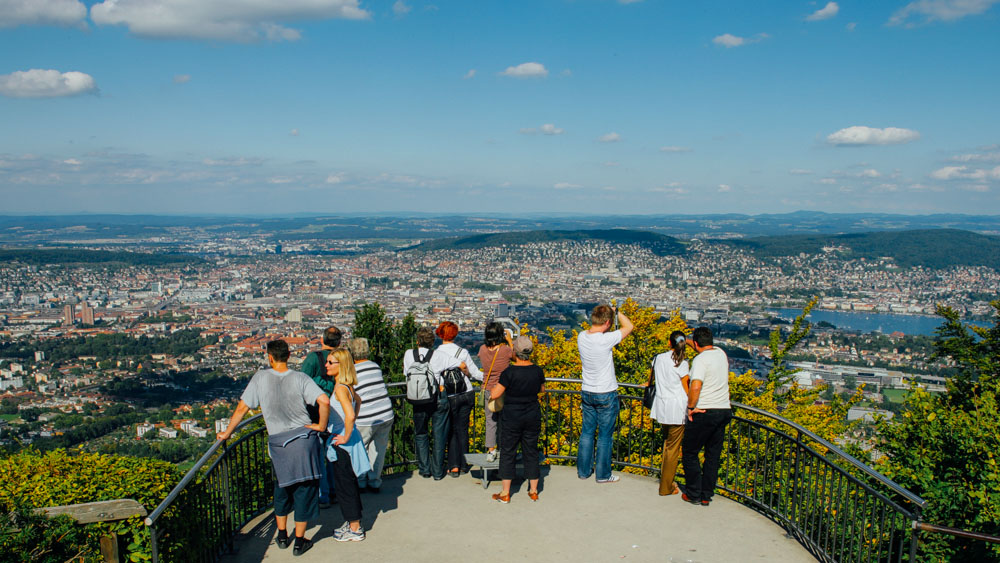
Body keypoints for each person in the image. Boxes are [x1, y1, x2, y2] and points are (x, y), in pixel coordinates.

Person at [217, 339, 329, 556]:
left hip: (278, 445)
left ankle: (281, 534)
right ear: (289, 355)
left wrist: (227, 433)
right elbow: (324, 401)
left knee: (282, 488)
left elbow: (242, 407)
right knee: (305, 490)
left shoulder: (260, 378)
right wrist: (321, 425)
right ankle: (299, 541)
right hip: (304, 441)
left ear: (270, 357)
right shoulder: (300, 378)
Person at [576, 304, 633, 483]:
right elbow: (629, 327)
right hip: (606, 392)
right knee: (605, 436)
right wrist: (618, 312)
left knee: (587, 433)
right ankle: (603, 475)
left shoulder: (581, 337)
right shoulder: (606, 339)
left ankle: (583, 471)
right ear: (608, 322)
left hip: (588, 390)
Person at [490, 336, 546, 503]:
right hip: (532, 414)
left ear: (515, 352)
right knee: (531, 451)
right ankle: (534, 490)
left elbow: (495, 394)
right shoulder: (537, 371)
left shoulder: (509, 372)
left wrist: (493, 388)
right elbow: (542, 390)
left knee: (508, 452)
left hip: (512, 415)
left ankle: (505, 493)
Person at [681, 326, 732, 507]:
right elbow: (702, 346)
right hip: (724, 410)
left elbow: (695, 387)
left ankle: (693, 492)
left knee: (689, 451)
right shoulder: (720, 354)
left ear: (695, 344)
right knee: (713, 454)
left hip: (705, 411)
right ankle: (706, 494)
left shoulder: (700, 360)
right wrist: (687, 341)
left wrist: (690, 407)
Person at [324, 348, 369, 541]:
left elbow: (350, 414)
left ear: (341, 365)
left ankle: (355, 528)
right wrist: (350, 427)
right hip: (348, 440)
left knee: (344, 486)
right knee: (348, 483)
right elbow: (358, 402)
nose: (326, 365)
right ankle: (353, 522)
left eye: (331, 362)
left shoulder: (341, 388)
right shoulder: (348, 386)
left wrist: (345, 434)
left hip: (342, 443)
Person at [300, 326, 342, 507]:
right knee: (333, 454)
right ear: (339, 342)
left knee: (318, 456)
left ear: (322, 339)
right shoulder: (343, 359)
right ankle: (335, 491)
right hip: (338, 411)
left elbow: (301, 384)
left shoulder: (312, 359)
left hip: (315, 413)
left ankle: (323, 496)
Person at [434, 321, 483, 477]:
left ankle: (453, 465)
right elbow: (476, 373)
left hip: (448, 395)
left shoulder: (436, 354)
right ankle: (464, 463)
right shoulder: (462, 352)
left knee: (451, 430)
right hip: (466, 393)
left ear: (440, 335)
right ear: (455, 335)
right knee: (462, 429)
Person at [348, 337, 394, 494]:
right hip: (385, 413)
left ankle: (360, 481)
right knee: (378, 449)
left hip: (366, 417)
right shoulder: (375, 367)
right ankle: (374, 481)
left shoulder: (352, 371)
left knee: (359, 449)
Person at [404, 327, 450, 480]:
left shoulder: (409, 354)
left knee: (421, 433)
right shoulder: (439, 355)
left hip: (418, 398)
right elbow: (461, 365)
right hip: (437, 397)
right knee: (439, 435)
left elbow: (406, 374)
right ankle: (437, 472)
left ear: (417, 341)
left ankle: (424, 469)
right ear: (432, 342)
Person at [648, 330, 690, 496]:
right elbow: (686, 387)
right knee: (672, 448)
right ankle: (666, 487)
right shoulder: (682, 363)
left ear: (669, 343)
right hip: (677, 408)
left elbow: (652, 378)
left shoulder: (659, 358)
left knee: (667, 444)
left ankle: (666, 481)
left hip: (662, 406)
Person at [477, 322, 513, 463]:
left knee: (490, 421)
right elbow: (517, 358)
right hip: (504, 389)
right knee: (505, 421)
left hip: (488, 390)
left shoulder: (482, 349)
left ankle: (491, 451)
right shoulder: (505, 350)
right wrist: (510, 340)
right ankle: (505, 449)